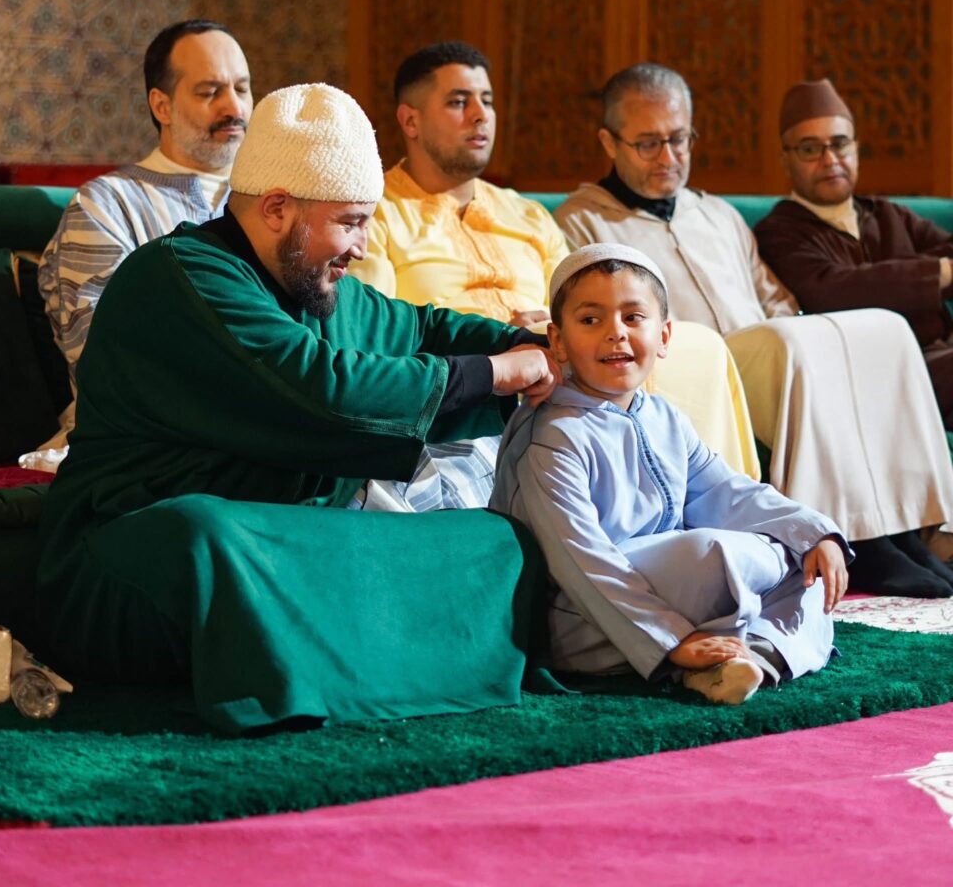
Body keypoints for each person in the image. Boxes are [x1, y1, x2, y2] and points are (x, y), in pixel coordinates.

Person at [37, 83, 559, 733]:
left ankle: (352, 672)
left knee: (494, 540)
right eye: (350, 222)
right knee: (205, 534)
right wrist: (498, 373)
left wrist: (539, 346)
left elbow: (426, 328)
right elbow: (322, 388)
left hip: (290, 539)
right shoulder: (177, 277)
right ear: (278, 207)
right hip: (126, 554)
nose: (362, 246)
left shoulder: (319, 288)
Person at [555, 63, 953, 598]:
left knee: (879, 327)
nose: (668, 157)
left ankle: (906, 530)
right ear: (609, 142)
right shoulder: (582, 222)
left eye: (679, 139)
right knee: (790, 341)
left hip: (770, 362)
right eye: (648, 143)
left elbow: (777, 301)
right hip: (690, 366)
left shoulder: (718, 214)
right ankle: (836, 532)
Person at [349, 41, 760, 479]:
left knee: (699, 347)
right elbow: (375, 332)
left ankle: (717, 498)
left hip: (563, 354)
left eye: (487, 100)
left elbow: (582, 295)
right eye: (458, 101)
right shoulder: (377, 215)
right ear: (410, 120)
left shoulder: (525, 213)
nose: (481, 115)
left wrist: (556, 323)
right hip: (478, 376)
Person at [491, 244, 849, 704]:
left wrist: (814, 533)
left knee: (807, 567)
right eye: (591, 320)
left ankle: (746, 661)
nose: (615, 333)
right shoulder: (552, 434)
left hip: (664, 594)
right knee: (713, 552)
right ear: (557, 341)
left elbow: (727, 492)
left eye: (633, 317)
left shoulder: (663, 417)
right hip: (584, 619)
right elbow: (580, 562)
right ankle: (696, 656)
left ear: (663, 336)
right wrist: (671, 639)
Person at [36, 19, 254, 449]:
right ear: (162, 106)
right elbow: (106, 359)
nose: (235, 108)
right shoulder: (106, 206)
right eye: (210, 92)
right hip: (146, 442)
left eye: (242, 89)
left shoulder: (277, 201)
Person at [755, 78, 953, 430]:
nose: (830, 160)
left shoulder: (887, 214)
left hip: (939, 358)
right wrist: (939, 273)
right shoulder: (778, 232)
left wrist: (893, 279)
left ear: (856, 150)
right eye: (810, 149)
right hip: (869, 375)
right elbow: (832, 291)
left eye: (840, 144)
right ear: (786, 159)